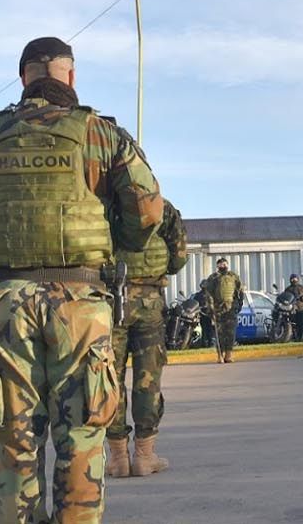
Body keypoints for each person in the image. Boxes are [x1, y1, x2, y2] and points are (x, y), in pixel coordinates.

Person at [0, 36, 165, 524]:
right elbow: (148, 211)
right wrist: (114, 252)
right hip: (83, 304)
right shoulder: (103, 136)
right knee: (82, 439)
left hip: (9, 303)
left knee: (15, 446)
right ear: (71, 76)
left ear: (23, 78)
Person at [105, 198, 188, 479]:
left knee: (109, 378)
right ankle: (144, 456)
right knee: (147, 381)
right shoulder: (161, 208)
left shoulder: (102, 204)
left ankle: (118, 458)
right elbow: (178, 260)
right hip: (149, 302)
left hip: (109, 302)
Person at [201, 258, 243, 363]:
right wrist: (210, 308)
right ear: (217, 266)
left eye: (224, 264)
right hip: (218, 309)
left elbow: (240, 290)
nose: (223, 266)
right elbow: (208, 293)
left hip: (231, 308)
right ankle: (220, 355)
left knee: (230, 332)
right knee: (219, 333)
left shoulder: (233, 276)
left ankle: (228, 355)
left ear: (227, 265)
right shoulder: (213, 278)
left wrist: (239, 304)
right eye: (221, 264)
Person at [287, 273, 303, 341]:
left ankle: (300, 338)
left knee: (300, 324)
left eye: (295, 278)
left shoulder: (302, 288)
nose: (294, 280)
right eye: (292, 278)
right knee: (291, 324)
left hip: (301, 309)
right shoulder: (288, 289)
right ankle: (292, 336)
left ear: (298, 279)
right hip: (291, 310)